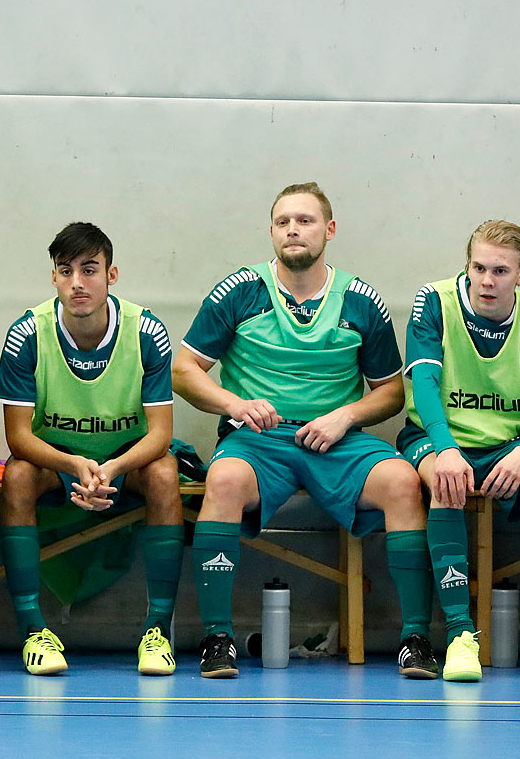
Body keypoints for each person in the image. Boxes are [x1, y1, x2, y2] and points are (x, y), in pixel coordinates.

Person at [173, 182, 434, 679]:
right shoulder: (241, 290)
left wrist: (346, 416)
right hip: (257, 441)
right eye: (282, 222)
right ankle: (217, 638)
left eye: (306, 220)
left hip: (336, 441)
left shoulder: (360, 300)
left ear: (329, 230)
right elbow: (184, 370)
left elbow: (392, 391)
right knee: (223, 482)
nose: (293, 229)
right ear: (271, 232)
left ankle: (415, 638)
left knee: (402, 483)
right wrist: (236, 404)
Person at [399, 220, 520, 683]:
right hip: (437, 438)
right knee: (447, 483)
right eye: (479, 268)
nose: (487, 280)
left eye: (500, 271)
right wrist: (445, 448)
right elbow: (422, 384)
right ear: (467, 266)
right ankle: (461, 637)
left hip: (510, 448)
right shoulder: (435, 303)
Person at [0, 222, 184, 676]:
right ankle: (33, 632)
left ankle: (157, 632)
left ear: (111, 275)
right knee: (16, 474)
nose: (77, 282)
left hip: (126, 457)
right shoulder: (27, 332)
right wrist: (75, 464)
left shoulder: (146, 331)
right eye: (66, 271)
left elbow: (159, 434)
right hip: (56, 459)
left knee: (164, 472)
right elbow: (18, 438)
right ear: (54, 278)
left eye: (90, 269)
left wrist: (112, 466)